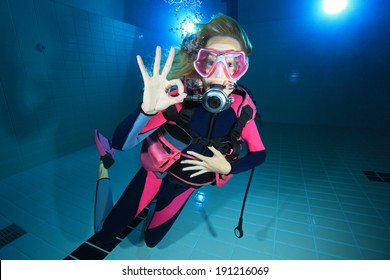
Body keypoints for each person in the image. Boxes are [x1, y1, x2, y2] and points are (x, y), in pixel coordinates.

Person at [93, 14, 266, 248]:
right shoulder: (178, 96)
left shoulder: (242, 110)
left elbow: (259, 154)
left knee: (152, 242)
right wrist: (146, 110)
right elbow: (122, 143)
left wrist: (228, 167)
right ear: (199, 62)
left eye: (232, 63)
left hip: (187, 188)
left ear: (241, 68)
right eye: (210, 60)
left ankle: (153, 208)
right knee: (103, 235)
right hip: (155, 177)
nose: (219, 72)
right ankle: (104, 169)